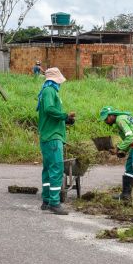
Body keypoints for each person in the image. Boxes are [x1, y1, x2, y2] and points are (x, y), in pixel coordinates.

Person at [37, 67, 74, 215]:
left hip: (48, 136)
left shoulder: (46, 91)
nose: (60, 84)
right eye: (59, 81)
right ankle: (54, 202)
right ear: (55, 80)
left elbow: (50, 114)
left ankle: (46, 200)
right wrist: (64, 116)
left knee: (48, 169)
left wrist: (65, 120)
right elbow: (49, 109)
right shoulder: (49, 91)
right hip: (53, 137)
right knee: (57, 168)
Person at [99, 106, 133, 204]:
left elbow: (130, 137)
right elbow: (129, 138)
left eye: (106, 119)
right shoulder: (120, 119)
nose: (105, 121)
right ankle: (126, 194)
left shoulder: (120, 120)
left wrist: (118, 148)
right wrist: (123, 150)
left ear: (111, 115)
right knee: (129, 167)